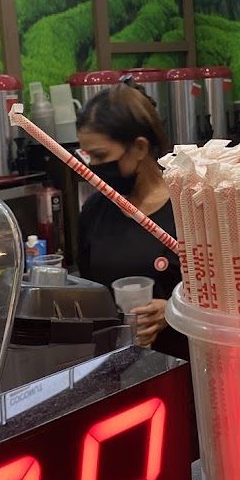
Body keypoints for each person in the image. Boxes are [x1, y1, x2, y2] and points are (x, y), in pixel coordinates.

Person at [76, 80, 184, 355]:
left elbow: (224, 297)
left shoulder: (188, 208)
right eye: (88, 157)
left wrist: (172, 310)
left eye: (101, 156)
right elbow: (89, 294)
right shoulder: (93, 212)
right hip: (117, 368)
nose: (94, 168)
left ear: (139, 148)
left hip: (183, 366)